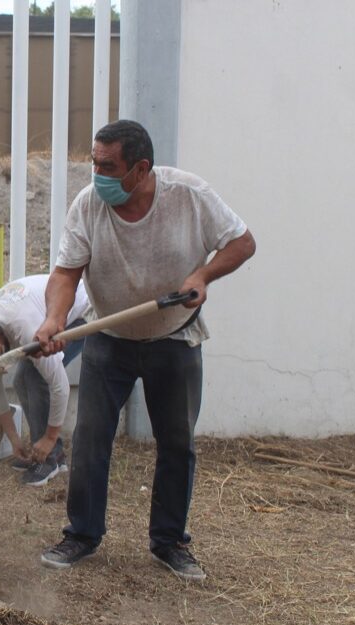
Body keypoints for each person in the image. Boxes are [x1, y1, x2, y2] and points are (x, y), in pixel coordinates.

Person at [34, 120, 256, 582]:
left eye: (107, 165)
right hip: (108, 339)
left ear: (140, 169)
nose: (97, 173)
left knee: (176, 444)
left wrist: (203, 277)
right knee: (92, 438)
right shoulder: (89, 204)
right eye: (94, 162)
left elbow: (242, 242)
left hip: (173, 335)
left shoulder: (189, 196)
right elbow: (65, 274)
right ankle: (82, 534)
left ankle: (170, 541)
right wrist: (55, 318)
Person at [0, 274, 90, 487]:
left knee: (34, 377)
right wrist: (14, 440)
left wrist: (49, 438)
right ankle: (50, 454)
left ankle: (50, 459)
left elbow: (60, 386)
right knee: (21, 379)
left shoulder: (24, 327)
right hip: (44, 314)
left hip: (80, 313)